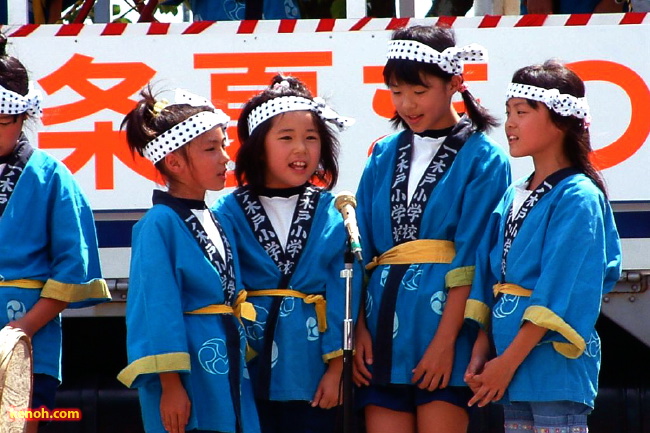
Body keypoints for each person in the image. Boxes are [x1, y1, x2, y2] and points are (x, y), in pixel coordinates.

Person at [352, 25, 511, 433]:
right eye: (396, 91)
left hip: (445, 329)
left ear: (455, 83)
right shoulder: (383, 153)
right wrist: (359, 329)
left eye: (419, 91)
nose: (406, 104)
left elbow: (475, 253)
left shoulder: (484, 158)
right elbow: (361, 249)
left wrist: (444, 345)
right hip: (381, 328)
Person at [464, 60, 622, 433]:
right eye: (508, 113)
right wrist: (482, 350)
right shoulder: (514, 193)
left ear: (562, 121)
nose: (511, 124)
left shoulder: (578, 196)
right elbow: (488, 273)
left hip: (551, 362)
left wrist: (505, 363)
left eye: (522, 112)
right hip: (510, 359)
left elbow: (561, 287)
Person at [214, 75, 361, 433]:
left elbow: (346, 289)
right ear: (257, 147)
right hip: (250, 363)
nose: (301, 149)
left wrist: (338, 368)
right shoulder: (227, 210)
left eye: (311, 138)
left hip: (313, 368)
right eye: (286, 138)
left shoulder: (334, 209)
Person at [117, 87, 260, 433]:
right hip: (188, 371)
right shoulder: (158, 224)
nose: (225, 157)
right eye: (211, 148)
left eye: (223, 144)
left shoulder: (218, 217)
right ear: (175, 162)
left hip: (223, 357)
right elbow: (157, 307)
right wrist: (170, 386)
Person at [0, 34, 110, 433]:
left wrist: (23, 328)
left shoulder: (52, 176)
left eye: (0, 122)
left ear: (23, 116)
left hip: (30, 340)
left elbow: (72, 266)